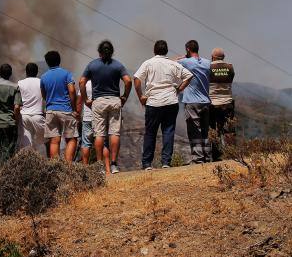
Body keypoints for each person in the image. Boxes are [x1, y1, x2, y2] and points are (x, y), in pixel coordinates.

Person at [133, 40, 193, 170]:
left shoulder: (148, 63)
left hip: (153, 102)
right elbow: (188, 76)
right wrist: (178, 90)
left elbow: (136, 80)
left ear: (154, 50)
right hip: (171, 101)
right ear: (166, 51)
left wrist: (141, 97)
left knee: (150, 133)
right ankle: (166, 162)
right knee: (168, 131)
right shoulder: (172, 64)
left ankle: (147, 164)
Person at [79, 40, 132, 173]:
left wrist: (86, 99)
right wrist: (124, 96)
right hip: (114, 100)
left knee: (99, 134)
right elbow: (128, 81)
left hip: (98, 102)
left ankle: (100, 165)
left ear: (99, 52)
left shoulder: (92, 65)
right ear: (112, 52)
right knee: (114, 133)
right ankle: (113, 164)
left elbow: (81, 82)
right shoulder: (118, 65)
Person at [177, 40, 212, 164]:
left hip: (192, 102)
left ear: (187, 49)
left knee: (194, 130)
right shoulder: (208, 63)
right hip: (206, 101)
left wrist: (182, 57)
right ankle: (207, 157)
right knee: (205, 131)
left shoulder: (186, 62)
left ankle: (198, 159)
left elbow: (169, 63)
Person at [41, 50, 78, 161]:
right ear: (59, 60)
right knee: (71, 139)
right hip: (65, 109)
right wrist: (74, 108)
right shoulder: (66, 74)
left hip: (50, 111)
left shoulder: (43, 77)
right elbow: (72, 91)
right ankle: (68, 166)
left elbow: (43, 94)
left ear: (47, 62)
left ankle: (56, 168)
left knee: (54, 140)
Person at [209, 48, 236, 161]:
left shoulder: (209, 67)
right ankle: (232, 155)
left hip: (213, 103)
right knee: (229, 130)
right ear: (223, 57)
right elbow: (231, 79)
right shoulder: (230, 67)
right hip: (227, 103)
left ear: (213, 57)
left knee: (214, 130)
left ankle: (216, 156)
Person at [76, 80, 110, 169]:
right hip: (100, 118)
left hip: (87, 118)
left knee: (86, 144)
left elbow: (79, 102)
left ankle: (85, 168)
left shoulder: (85, 85)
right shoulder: (103, 83)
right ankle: (107, 169)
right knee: (104, 143)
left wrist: (78, 118)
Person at [17, 62, 46, 154]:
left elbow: (17, 100)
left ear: (26, 72)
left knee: (26, 145)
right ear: (37, 72)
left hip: (24, 116)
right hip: (38, 115)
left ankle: (28, 164)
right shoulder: (41, 82)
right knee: (45, 141)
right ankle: (44, 162)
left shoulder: (20, 83)